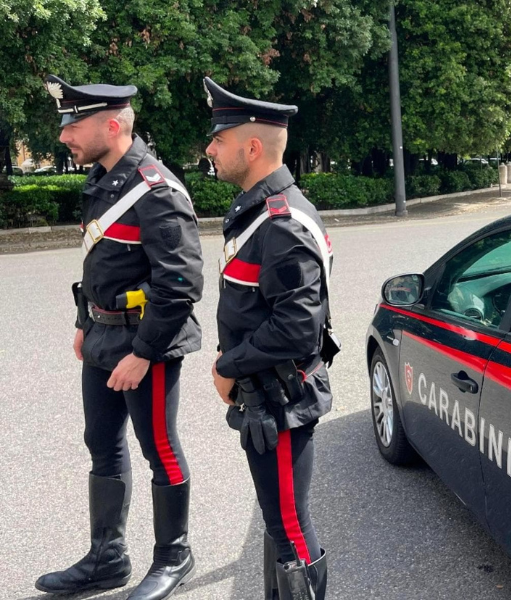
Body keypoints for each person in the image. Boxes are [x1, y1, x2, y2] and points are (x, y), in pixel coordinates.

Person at [35, 75, 204, 600]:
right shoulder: (104, 181)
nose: (65, 135)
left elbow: (180, 284)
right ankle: (107, 558)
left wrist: (143, 353)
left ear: (113, 125)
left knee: (160, 450)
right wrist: (86, 325)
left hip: (146, 345)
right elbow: (100, 266)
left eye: (74, 123)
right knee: (102, 446)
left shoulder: (156, 189)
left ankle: (174, 557)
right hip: (104, 340)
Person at [205, 77, 336, 600]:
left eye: (218, 139)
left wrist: (227, 366)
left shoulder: (281, 222)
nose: (210, 149)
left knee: (290, 530)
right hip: (265, 396)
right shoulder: (262, 209)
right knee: (279, 519)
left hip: (278, 403)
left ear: (251, 147)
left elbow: (298, 327)